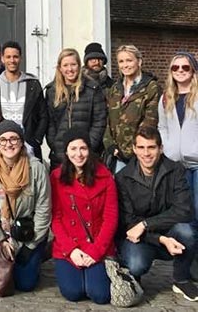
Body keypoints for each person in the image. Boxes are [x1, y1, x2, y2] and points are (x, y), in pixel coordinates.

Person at [115, 127, 198, 301]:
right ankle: (134, 276)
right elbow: (128, 223)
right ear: (135, 149)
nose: (146, 153)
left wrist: (146, 224)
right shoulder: (123, 177)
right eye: (142, 147)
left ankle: (181, 279)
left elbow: (184, 209)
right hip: (140, 238)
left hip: (167, 232)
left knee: (187, 231)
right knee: (136, 264)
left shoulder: (175, 170)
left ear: (161, 148)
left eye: (151, 147)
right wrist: (160, 239)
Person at [0, 120, 51, 292]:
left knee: (25, 284)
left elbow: (43, 209)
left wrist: (29, 247)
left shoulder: (37, 168)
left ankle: (38, 254)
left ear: (21, 141)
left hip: (29, 234)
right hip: (1, 232)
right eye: (3, 140)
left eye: (14, 139)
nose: (9, 144)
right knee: (0, 277)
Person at [50, 128, 117, 304]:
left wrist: (96, 251)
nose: (78, 154)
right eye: (73, 149)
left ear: (89, 150)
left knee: (100, 295)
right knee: (73, 293)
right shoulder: (56, 177)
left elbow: (110, 218)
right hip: (69, 246)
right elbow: (55, 219)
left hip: (96, 243)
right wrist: (71, 250)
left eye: (83, 148)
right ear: (66, 151)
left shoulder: (105, 177)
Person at [157, 52, 198, 280]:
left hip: (197, 163)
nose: (180, 71)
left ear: (193, 70)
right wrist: (168, 147)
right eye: (176, 68)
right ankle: (187, 267)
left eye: (185, 67)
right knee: (185, 217)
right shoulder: (166, 98)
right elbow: (162, 126)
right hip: (176, 165)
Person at [0, 41, 47, 160]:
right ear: (2, 59)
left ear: (20, 58)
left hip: (28, 146)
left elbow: (43, 115)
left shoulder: (33, 85)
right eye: (8, 57)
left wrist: (36, 140)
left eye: (15, 57)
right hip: (2, 145)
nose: (12, 60)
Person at [45, 48, 106, 168]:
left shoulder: (92, 89)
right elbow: (49, 123)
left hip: (87, 155)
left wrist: (86, 147)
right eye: (65, 65)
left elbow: (99, 121)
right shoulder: (52, 91)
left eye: (73, 64)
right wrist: (57, 147)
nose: (70, 69)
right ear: (60, 68)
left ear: (79, 66)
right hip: (60, 155)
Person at [103, 45, 159, 173]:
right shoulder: (115, 89)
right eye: (121, 61)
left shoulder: (151, 87)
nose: (125, 65)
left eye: (129, 60)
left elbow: (150, 122)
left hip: (140, 154)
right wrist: (110, 145)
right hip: (116, 155)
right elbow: (108, 120)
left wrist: (131, 150)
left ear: (139, 62)